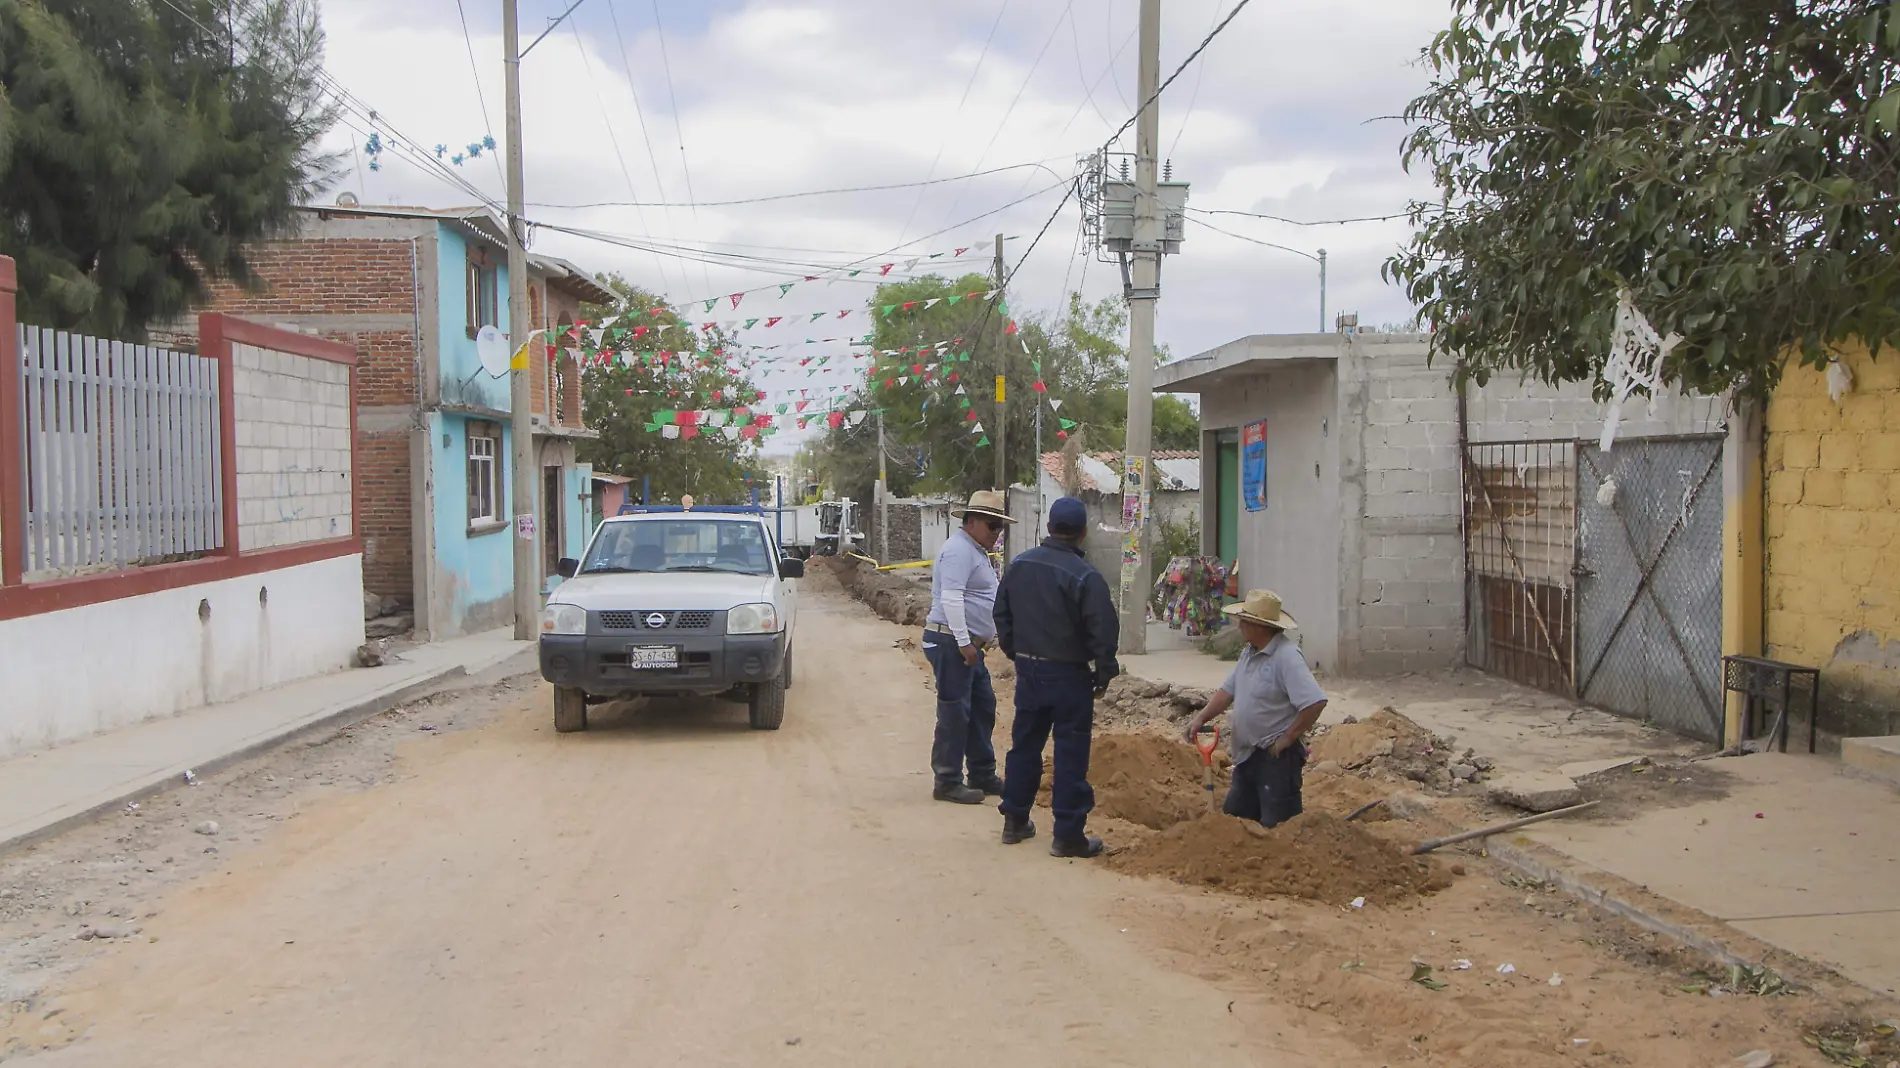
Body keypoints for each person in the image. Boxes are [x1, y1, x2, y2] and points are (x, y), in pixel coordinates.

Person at [994, 496, 1120, 858]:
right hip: (1069, 674)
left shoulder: (1019, 566)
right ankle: (1067, 834)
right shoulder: (1086, 577)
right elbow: (1103, 629)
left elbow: (1001, 613)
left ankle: (1015, 820)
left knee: (1025, 747)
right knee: (1070, 753)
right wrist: (1104, 671)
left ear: (1049, 528)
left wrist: (1014, 650)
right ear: (1082, 533)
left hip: (1030, 670)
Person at [1181, 589, 1327, 828]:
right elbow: (1228, 691)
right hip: (1248, 756)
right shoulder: (1249, 652)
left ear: (1261, 626)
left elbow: (1315, 702)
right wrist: (1200, 718)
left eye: (1245, 622)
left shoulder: (1286, 657)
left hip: (1276, 758)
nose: (1240, 627)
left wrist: (1287, 738)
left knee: (1278, 825)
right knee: (1235, 819)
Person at [922, 490, 1013, 804]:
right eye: (992, 526)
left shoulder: (976, 552)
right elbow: (951, 597)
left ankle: (982, 773)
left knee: (982, 708)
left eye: (1000, 527)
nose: (997, 534)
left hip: (966, 644)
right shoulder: (959, 551)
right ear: (972, 522)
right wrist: (963, 642)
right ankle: (947, 780)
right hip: (952, 642)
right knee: (955, 711)